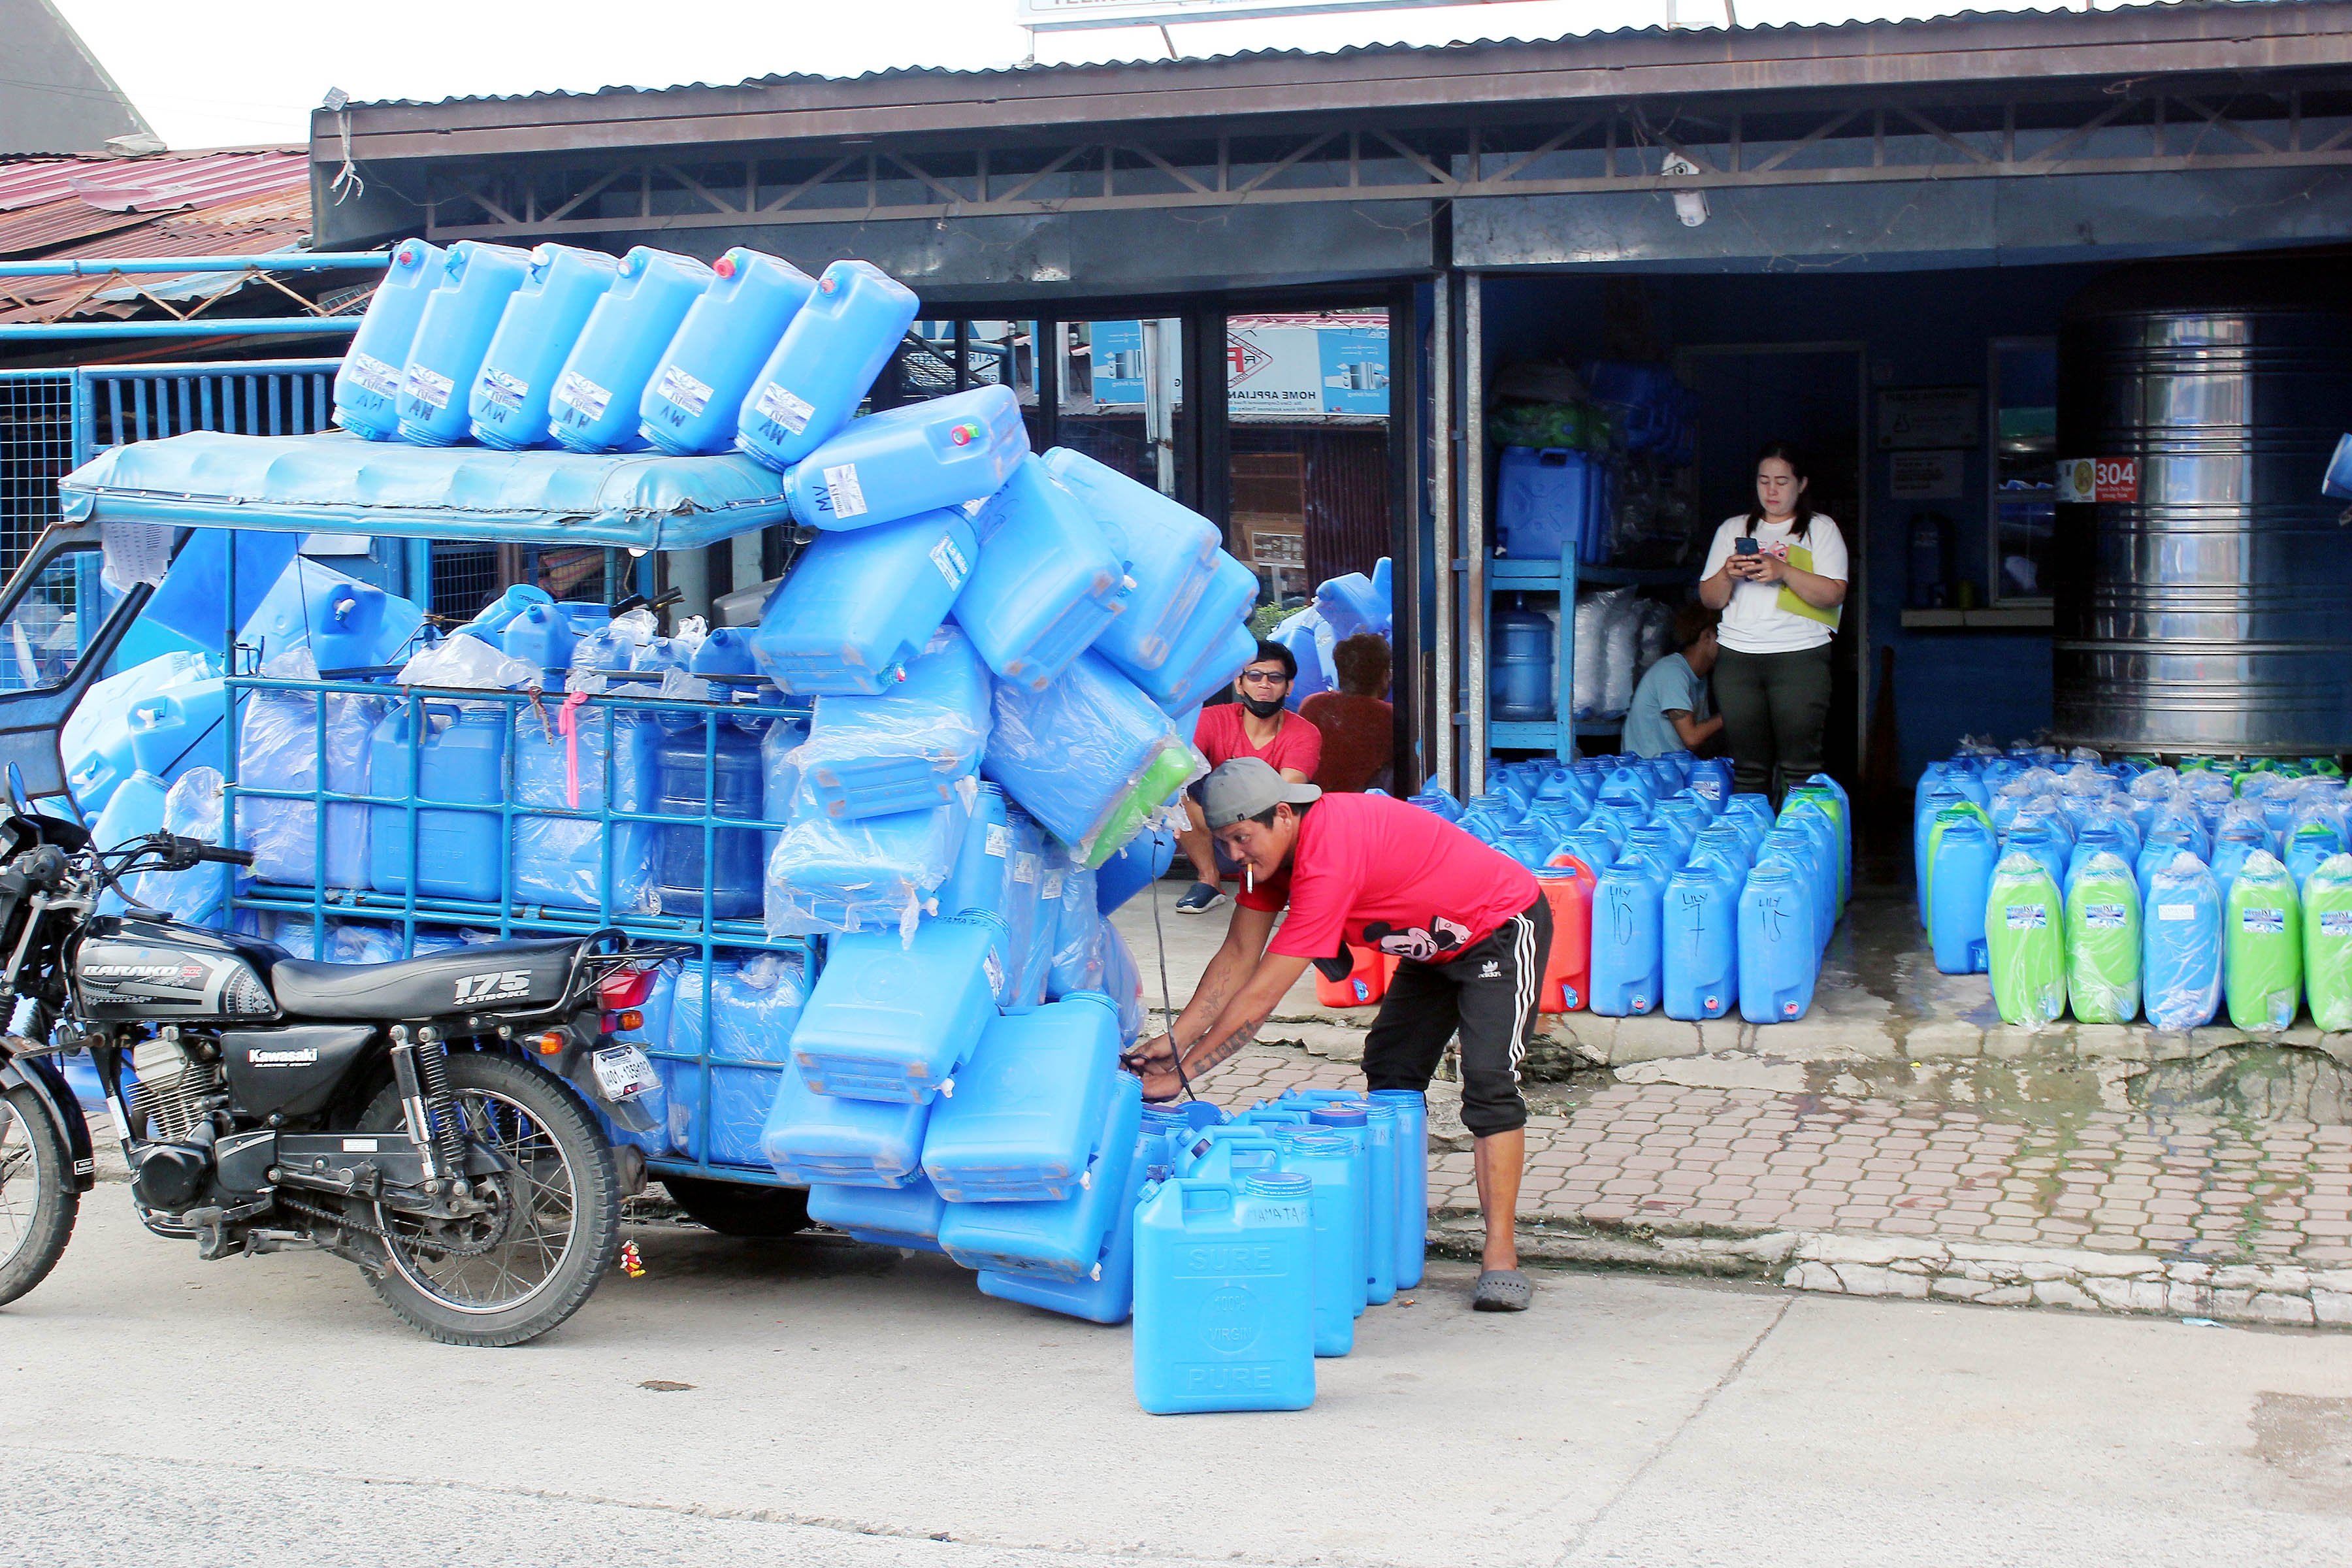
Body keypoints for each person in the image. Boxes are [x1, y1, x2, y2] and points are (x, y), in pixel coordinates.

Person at [1125, 757, 1548, 1313]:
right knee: (1392, 1069)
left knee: (1489, 1081)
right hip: (1429, 947)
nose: (1234, 857)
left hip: (1497, 926)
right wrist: (1176, 1039)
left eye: (1242, 839)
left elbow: (1261, 997)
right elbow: (1237, 955)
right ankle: (1394, 1235)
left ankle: (1501, 1255)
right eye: (1224, 844)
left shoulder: (1328, 854)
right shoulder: (1267, 863)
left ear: (1283, 814)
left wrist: (1184, 1075)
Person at [1697, 440, 1849, 802]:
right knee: (1748, 767)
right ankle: (1754, 845)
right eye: (1764, 481)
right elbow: (1710, 598)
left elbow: (1834, 594)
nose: (1772, 490)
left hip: (1800, 656)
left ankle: (1800, 847)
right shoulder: (1733, 529)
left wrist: (1783, 571)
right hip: (1737, 656)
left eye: (1782, 481)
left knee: (1801, 766)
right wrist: (1727, 572)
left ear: (1802, 484)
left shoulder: (1820, 530)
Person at [1173, 639, 1322, 914]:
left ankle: (1289, 883)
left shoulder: (1305, 732)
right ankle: (1209, 882)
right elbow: (1178, 770)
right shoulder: (1211, 719)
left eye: (1275, 678)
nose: (1264, 684)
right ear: (1239, 684)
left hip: (1269, 830)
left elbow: (1287, 794)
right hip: (1217, 831)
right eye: (1255, 676)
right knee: (1178, 796)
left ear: (1288, 687)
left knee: (1293, 808)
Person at [1622, 602, 1723, 760]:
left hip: (1674, 768)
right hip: (1650, 772)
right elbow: (1692, 739)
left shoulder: (1699, 676)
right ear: (1707, 636)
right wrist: (1728, 716)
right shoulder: (1673, 673)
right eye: (1724, 637)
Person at [1299, 631, 1394, 793]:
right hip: (1363, 808)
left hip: (1314, 805)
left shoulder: (1312, 705)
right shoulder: (1389, 716)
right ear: (1385, 675)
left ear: (1339, 672)